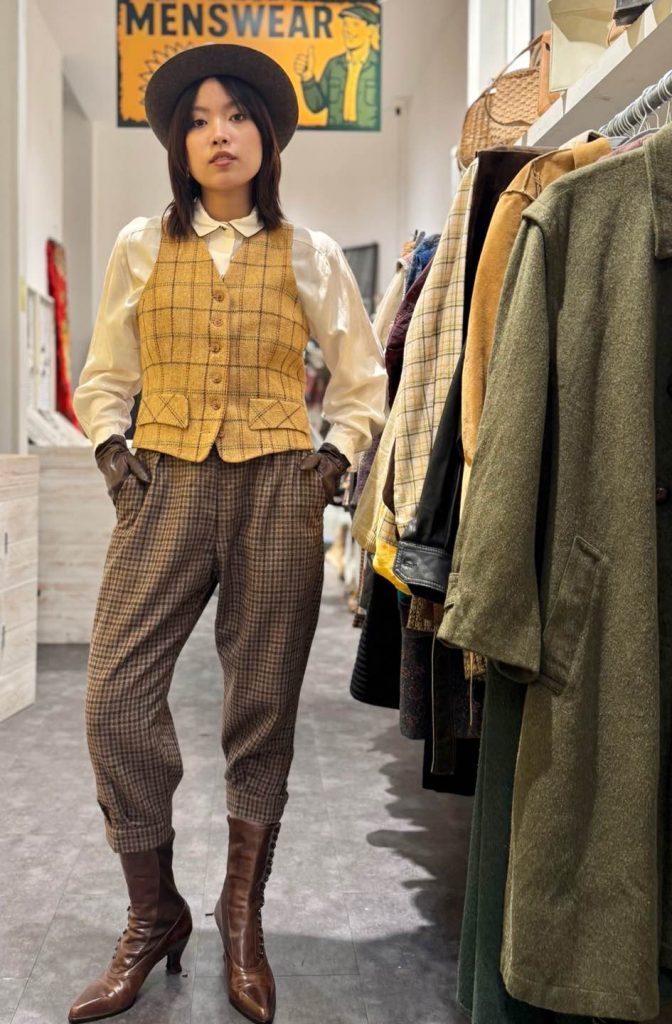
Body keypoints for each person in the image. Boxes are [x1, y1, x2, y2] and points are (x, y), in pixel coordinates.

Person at [68, 42, 386, 1024]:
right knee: (114, 696)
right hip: (162, 488)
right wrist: (118, 456)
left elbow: (362, 380)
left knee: (263, 706)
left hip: (275, 497)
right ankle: (152, 909)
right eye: (200, 117)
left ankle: (240, 916)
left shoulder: (309, 253)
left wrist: (328, 466)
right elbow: (104, 374)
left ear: (266, 135)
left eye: (236, 114)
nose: (219, 131)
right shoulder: (136, 245)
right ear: (178, 139)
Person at [294, 4, 380, 129]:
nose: (348, 30)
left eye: (355, 25)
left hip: (371, 140)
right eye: (345, 25)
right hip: (334, 137)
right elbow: (316, 106)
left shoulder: (378, 67)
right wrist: (307, 78)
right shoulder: (333, 65)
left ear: (370, 30)